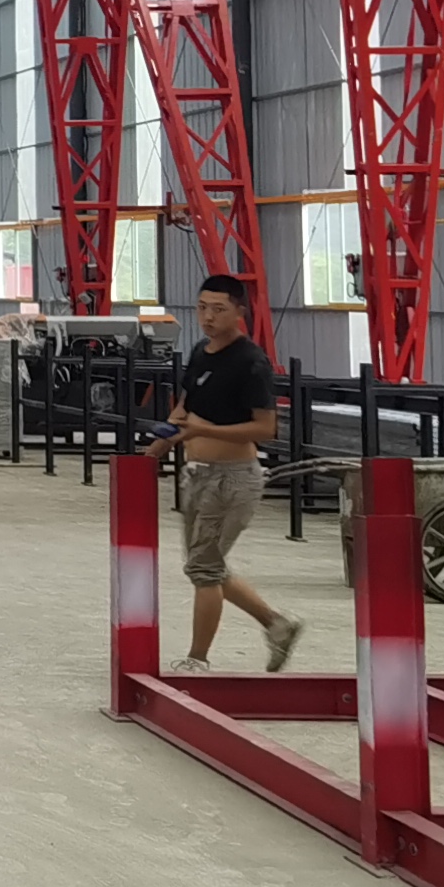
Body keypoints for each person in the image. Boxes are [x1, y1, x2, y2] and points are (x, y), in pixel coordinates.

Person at [160, 273, 304, 673]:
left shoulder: (250, 362)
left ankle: (197, 659)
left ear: (240, 311)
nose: (208, 317)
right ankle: (277, 625)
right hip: (198, 474)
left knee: (204, 569)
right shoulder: (200, 352)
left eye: (219, 309)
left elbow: (266, 428)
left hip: (232, 478)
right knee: (205, 566)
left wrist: (203, 431)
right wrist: (162, 440)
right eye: (202, 308)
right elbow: (185, 406)